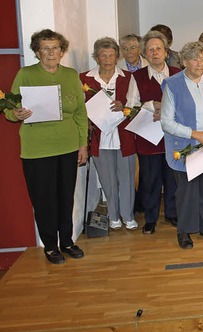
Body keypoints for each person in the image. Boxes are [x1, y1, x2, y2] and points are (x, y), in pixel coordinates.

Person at [5, 29, 88, 264]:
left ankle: (68, 241)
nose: (51, 53)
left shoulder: (71, 75)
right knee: (44, 200)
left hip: (68, 146)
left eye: (55, 48)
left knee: (66, 197)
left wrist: (83, 145)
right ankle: (51, 246)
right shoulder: (26, 74)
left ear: (62, 52)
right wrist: (16, 113)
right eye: (45, 48)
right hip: (37, 149)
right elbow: (9, 109)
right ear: (37, 51)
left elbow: (81, 113)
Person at [161, 41, 203, 249]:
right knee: (187, 192)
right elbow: (166, 122)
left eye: (202, 58)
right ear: (184, 62)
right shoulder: (173, 84)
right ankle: (184, 231)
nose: (199, 63)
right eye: (194, 59)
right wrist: (196, 135)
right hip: (184, 147)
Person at [126, 30, 180, 234]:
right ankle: (150, 219)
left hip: (174, 137)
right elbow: (130, 108)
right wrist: (151, 105)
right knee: (150, 179)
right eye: (150, 50)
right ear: (144, 54)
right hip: (148, 136)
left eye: (159, 49)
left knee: (172, 178)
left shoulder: (178, 73)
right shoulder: (137, 77)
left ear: (166, 52)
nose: (155, 53)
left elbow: (186, 103)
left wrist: (166, 107)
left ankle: (172, 214)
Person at [80, 37, 137, 231]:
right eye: (103, 55)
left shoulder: (128, 77)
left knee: (127, 177)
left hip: (123, 136)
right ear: (96, 57)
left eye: (111, 55)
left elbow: (135, 104)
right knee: (107, 179)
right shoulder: (84, 78)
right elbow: (79, 107)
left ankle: (128, 215)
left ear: (117, 57)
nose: (107, 59)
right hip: (99, 137)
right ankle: (113, 215)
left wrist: (125, 107)